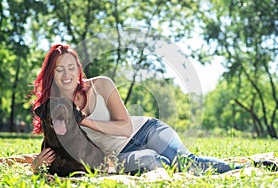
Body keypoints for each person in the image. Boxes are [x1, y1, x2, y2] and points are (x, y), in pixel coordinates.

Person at [31, 43, 241, 175]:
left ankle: (248, 168)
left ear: (78, 69)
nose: (67, 74)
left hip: (147, 131)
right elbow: (54, 145)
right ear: (52, 73)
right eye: (60, 69)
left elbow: (125, 127)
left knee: (186, 163)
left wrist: (82, 120)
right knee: (159, 163)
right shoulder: (54, 109)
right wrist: (36, 165)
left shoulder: (101, 84)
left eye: (71, 67)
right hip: (117, 155)